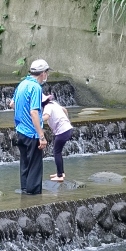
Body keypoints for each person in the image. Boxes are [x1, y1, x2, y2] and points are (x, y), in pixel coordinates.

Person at [13, 59, 50, 195]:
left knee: (25, 163)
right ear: (43, 73)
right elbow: (34, 112)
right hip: (32, 133)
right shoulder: (35, 87)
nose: (47, 76)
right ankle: (33, 197)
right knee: (35, 166)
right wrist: (41, 136)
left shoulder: (22, 84)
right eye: (47, 72)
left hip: (20, 131)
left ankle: (24, 190)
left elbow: (12, 104)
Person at [41, 95, 73, 181]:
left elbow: (46, 117)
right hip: (67, 128)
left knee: (56, 152)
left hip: (62, 131)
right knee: (58, 151)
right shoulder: (53, 103)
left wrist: (37, 120)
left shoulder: (47, 107)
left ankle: (60, 176)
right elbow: (65, 110)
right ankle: (61, 172)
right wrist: (66, 120)